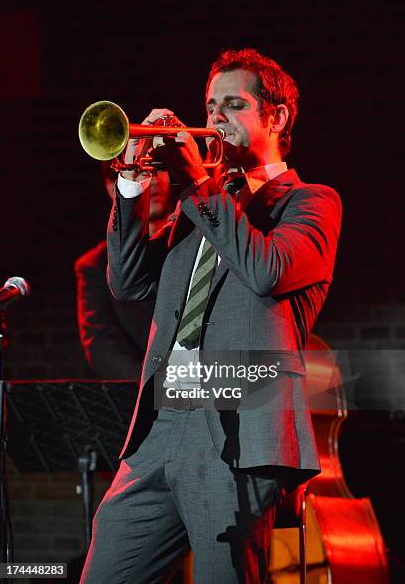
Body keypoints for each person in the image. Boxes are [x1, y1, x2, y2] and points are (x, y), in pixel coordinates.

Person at [81, 48, 342, 583]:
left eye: (233, 104)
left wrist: (199, 185)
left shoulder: (311, 202)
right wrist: (131, 180)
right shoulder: (200, 207)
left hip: (239, 424)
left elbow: (266, 270)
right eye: (209, 105)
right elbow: (128, 283)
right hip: (161, 421)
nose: (215, 118)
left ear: (278, 116)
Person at [74, 162, 175, 380]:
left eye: (155, 171)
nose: (153, 182)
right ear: (113, 187)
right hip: (140, 394)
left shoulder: (191, 243)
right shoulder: (93, 265)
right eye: (138, 173)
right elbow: (101, 344)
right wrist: (155, 385)